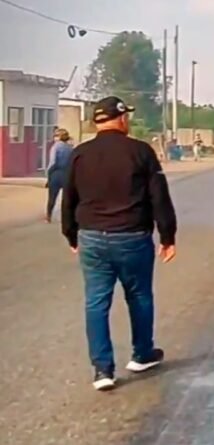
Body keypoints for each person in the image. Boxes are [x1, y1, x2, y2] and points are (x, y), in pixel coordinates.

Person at [61, 96, 177, 391]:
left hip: (91, 237)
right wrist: (167, 236)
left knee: (96, 302)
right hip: (133, 237)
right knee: (139, 296)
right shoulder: (140, 151)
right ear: (122, 119)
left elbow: (69, 198)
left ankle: (102, 370)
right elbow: (159, 197)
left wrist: (71, 234)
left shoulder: (80, 154)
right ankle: (142, 354)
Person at [45, 128, 73, 223]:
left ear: (59, 137)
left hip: (56, 174)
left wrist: (49, 175)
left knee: (52, 197)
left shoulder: (55, 147)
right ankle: (67, 218)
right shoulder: (70, 147)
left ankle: (48, 216)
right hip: (67, 174)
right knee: (67, 198)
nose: (54, 138)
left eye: (56, 136)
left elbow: (52, 163)